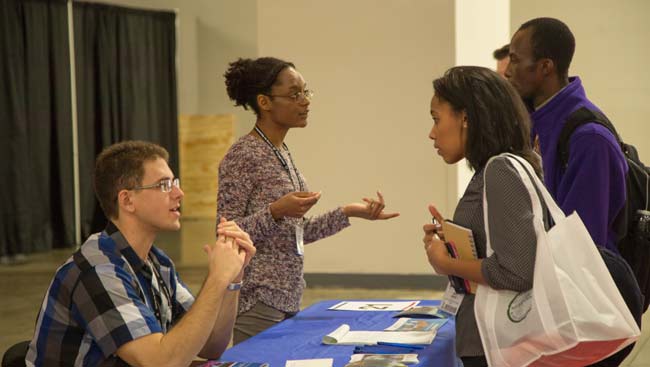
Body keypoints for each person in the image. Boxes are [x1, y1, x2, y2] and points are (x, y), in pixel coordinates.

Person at [26, 141, 256, 367]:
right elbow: (162, 362)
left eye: (174, 182)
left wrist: (233, 278)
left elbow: (211, 346)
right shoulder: (97, 270)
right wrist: (216, 279)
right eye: (164, 185)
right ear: (127, 200)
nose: (179, 193)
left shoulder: (158, 263)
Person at [219, 57, 400, 343]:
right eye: (294, 94)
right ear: (264, 102)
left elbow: (298, 233)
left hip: (289, 297)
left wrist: (350, 212)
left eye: (306, 93)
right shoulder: (243, 155)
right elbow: (225, 236)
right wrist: (276, 211)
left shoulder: (281, 152)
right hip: (258, 299)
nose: (305, 102)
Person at [506, 17, 642, 366]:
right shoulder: (539, 123)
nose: (507, 69)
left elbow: (583, 249)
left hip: (589, 312)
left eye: (516, 59)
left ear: (545, 67)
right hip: (556, 301)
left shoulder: (588, 138)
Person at [423, 66, 542, 367]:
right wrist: (454, 239)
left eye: (437, 120)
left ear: (466, 118)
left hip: (497, 344)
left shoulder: (499, 171)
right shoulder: (496, 168)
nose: (432, 133)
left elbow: (516, 271)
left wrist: (444, 262)